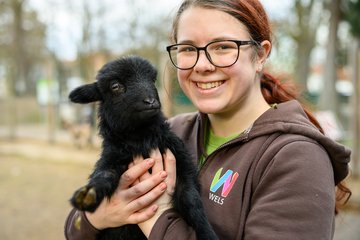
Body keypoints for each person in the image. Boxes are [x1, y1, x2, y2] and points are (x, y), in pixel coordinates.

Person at [64, 0, 352, 239]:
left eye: (223, 47)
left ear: (260, 55)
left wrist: (156, 215)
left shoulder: (296, 158)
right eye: (188, 49)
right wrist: (98, 217)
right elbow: (75, 227)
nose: (203, 65)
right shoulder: (171, 131)